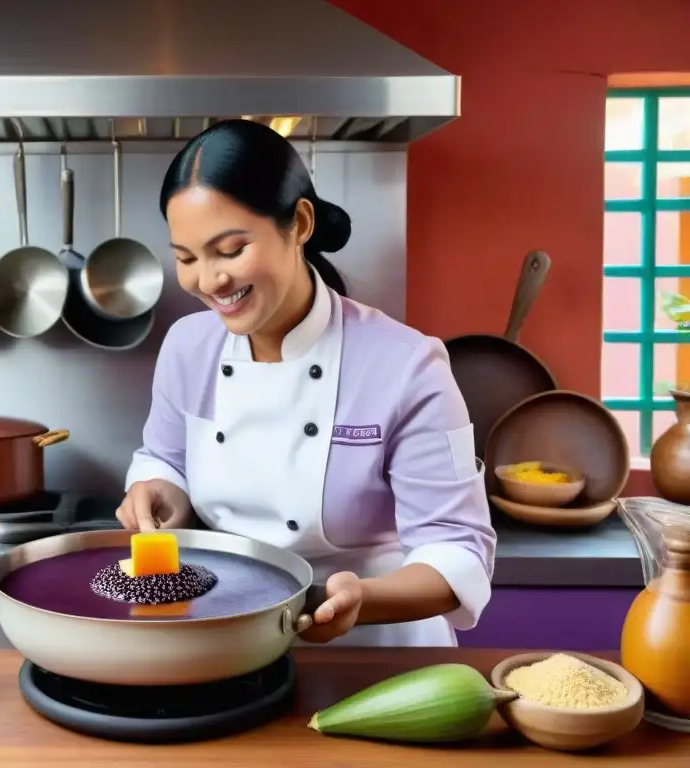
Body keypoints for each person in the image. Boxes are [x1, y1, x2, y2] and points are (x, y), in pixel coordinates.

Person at [115, 119, 495, 647]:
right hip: (228, 639)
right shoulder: (187, 346)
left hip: (375, 653)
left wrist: (363, 599)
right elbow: (166, 457)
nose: (209, 281)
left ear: (299, 222)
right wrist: (157, 490)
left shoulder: (408, 365)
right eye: (186, 258)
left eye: (230, 250)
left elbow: (458, 549)